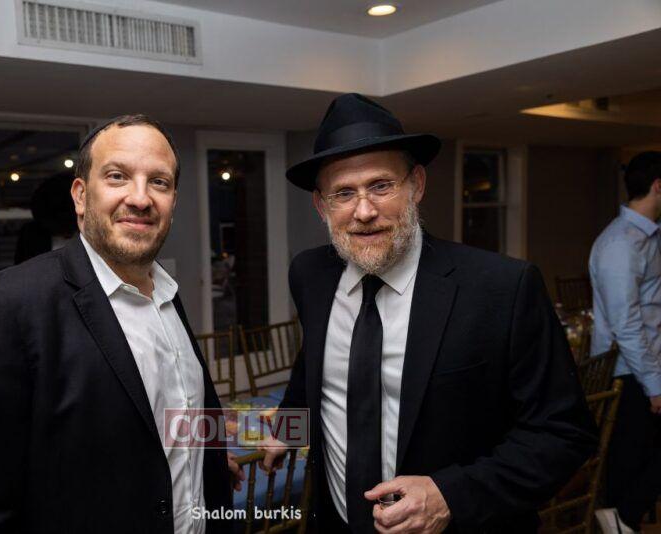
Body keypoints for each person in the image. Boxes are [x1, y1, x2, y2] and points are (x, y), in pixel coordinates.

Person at [260, 93, 597, 533]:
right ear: (322, 206)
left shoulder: (502, 288)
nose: (364, 211)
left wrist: (450, 496)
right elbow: (316, 367)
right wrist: (287, 429)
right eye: (344, 193)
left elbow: (564, 434)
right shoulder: (311, 275)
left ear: (416, 184)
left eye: (381, 186)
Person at [0, 115, 241, 533]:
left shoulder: (167, 294)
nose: (140, 198)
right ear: (80, 195)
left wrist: (204, 460)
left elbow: (157, 416)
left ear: (173, 201)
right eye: (117, 176)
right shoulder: (1, 308)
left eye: (158, 182)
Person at [590, 151, 661, 534]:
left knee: (638, 460)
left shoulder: (647, 237)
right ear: (658, 186)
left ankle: (621, 518)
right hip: (629, 372)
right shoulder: (620, 243)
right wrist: (655, 384)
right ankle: (618, 517)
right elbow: (626, 325)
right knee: (629, 460)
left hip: (648, 365)